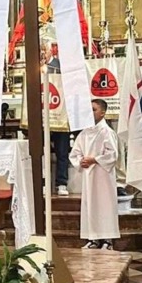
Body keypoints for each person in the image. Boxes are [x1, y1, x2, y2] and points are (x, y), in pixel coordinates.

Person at [72, 99, 119, 249]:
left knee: (105, 205)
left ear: (103, 113)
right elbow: (75, 153)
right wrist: (81, 161)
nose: (90, 113)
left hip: (103, 175)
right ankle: (93, 238)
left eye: (94, 109)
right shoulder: (85, 133)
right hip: (89, 175)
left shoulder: (107, 132)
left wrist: (94, 159)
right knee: (90, 205)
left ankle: (107, 239)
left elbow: (113, 154)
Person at [45, 43, 71, 195]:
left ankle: (62, 182)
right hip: (41, 114)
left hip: (59, 112)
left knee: (62, 149)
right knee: (40, 150)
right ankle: (43, 180)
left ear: (50, 51)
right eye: (39, 50)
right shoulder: (32, 65)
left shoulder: (60, 66)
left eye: (44, 50)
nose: (42, 54)